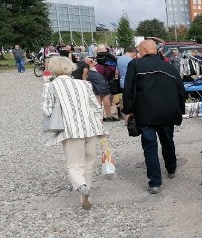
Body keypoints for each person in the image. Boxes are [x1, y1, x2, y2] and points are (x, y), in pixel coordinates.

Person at [42, 56, 107, 210]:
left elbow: (46, 109)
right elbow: (96, 107)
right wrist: (99, 123)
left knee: (74, 163)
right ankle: (86, 191)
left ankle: (81, 185)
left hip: (70, 129)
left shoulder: (51, 86)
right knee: (89, 160)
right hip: (90, 127)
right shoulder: (84, 84)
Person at [122, 39, 186, 194]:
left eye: (138, 50)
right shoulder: (169, 66)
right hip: (167, 112)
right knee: (167, 141)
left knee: (150, 146)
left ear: (144, 50)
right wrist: (179, 111)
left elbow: (129, 90)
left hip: (145, 113)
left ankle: (155, 182)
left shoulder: (135, 65)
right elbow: (180, 90)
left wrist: (128, 110)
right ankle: (171, 168)